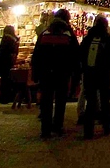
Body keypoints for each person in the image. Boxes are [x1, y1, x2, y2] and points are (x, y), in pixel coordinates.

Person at [31, 9, 80, 138]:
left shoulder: (45, 33)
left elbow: (36, 56)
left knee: (46, 100)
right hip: (62, 73)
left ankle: (45, 129)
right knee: (60, 101)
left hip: (46, 73)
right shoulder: (68, 34)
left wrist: (35, 73)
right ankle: (57, 126)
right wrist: (75, 75)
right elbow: (75, 56)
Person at [80, 16, 110, 139]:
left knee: (91, 102)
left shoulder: (87, 38)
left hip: (89, 74)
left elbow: (81, 55)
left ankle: (88, 130)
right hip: (104, 73)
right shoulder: (108, 39)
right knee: (104, 100)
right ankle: (106, 126)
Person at [0, 25, 20, 104]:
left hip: (4, 61)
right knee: (8, 80)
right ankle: (9, 97)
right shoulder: (15, 39)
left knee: (4, 81)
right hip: (10, 61)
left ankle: (4, 98)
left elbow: (2, 51)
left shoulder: (6, 38)